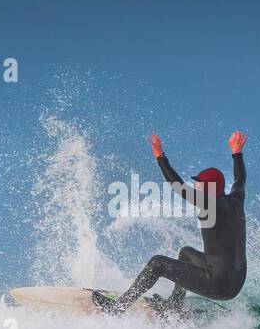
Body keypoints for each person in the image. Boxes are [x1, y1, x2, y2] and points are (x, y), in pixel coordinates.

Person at [94, 131, 248, 313]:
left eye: (199, 183)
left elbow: (178, 186)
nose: (196, 186)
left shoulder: (211, 203)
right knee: (186, 253)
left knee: (157, 263)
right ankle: (173, 306)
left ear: (208, 188)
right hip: (235, 281)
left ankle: (118, 307)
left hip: (218, 283)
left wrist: (160, 156)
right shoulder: (236, 198)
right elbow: (240, 179)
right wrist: (237, 153)